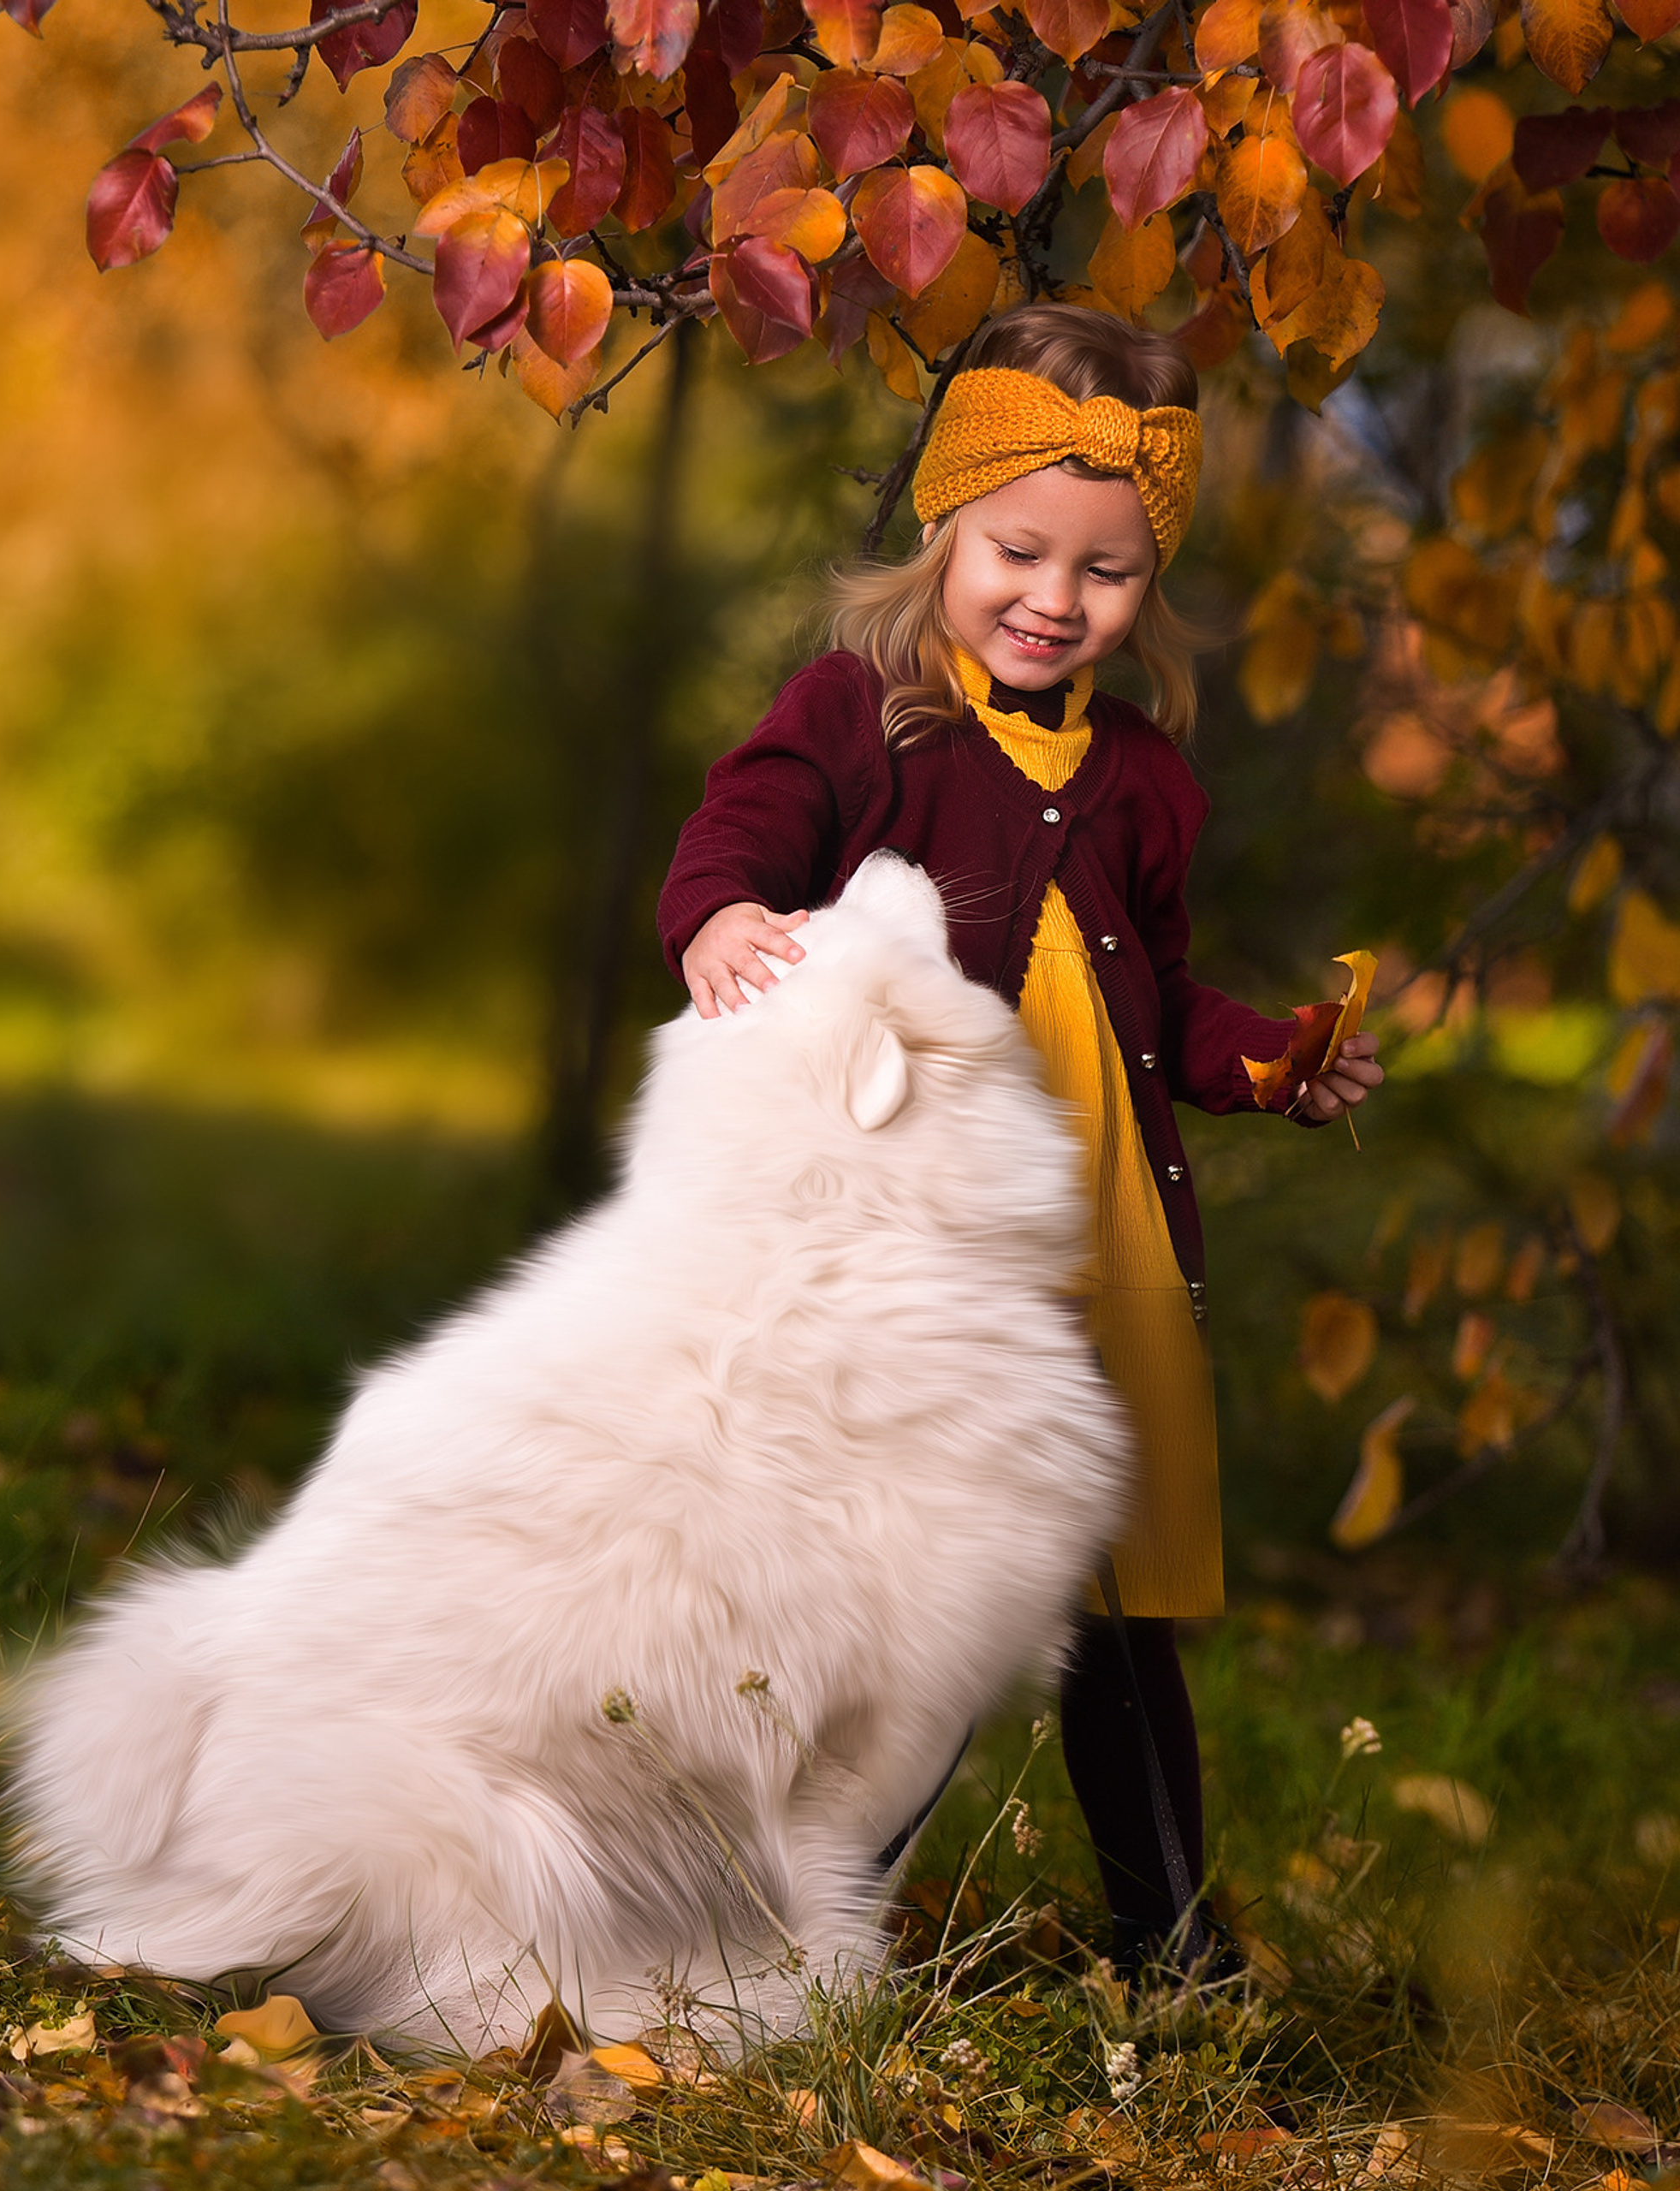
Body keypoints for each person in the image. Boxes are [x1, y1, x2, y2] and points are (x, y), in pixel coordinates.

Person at [655, 301, 1384, 1980]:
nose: (1055, 599)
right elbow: (736, 831)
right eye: (1018, 550)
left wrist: (1273, 1061)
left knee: (1118, 1616)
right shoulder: (862, 712)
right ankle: (800, 1932)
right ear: (946, 529)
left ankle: (1174, 1944)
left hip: (1106, 1252)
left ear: (1147, 589)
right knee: (917, 1598)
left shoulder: (1139, 778)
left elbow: (1156, 1003)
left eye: (1105, 572)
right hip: (929, 1255)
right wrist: (717, 921)